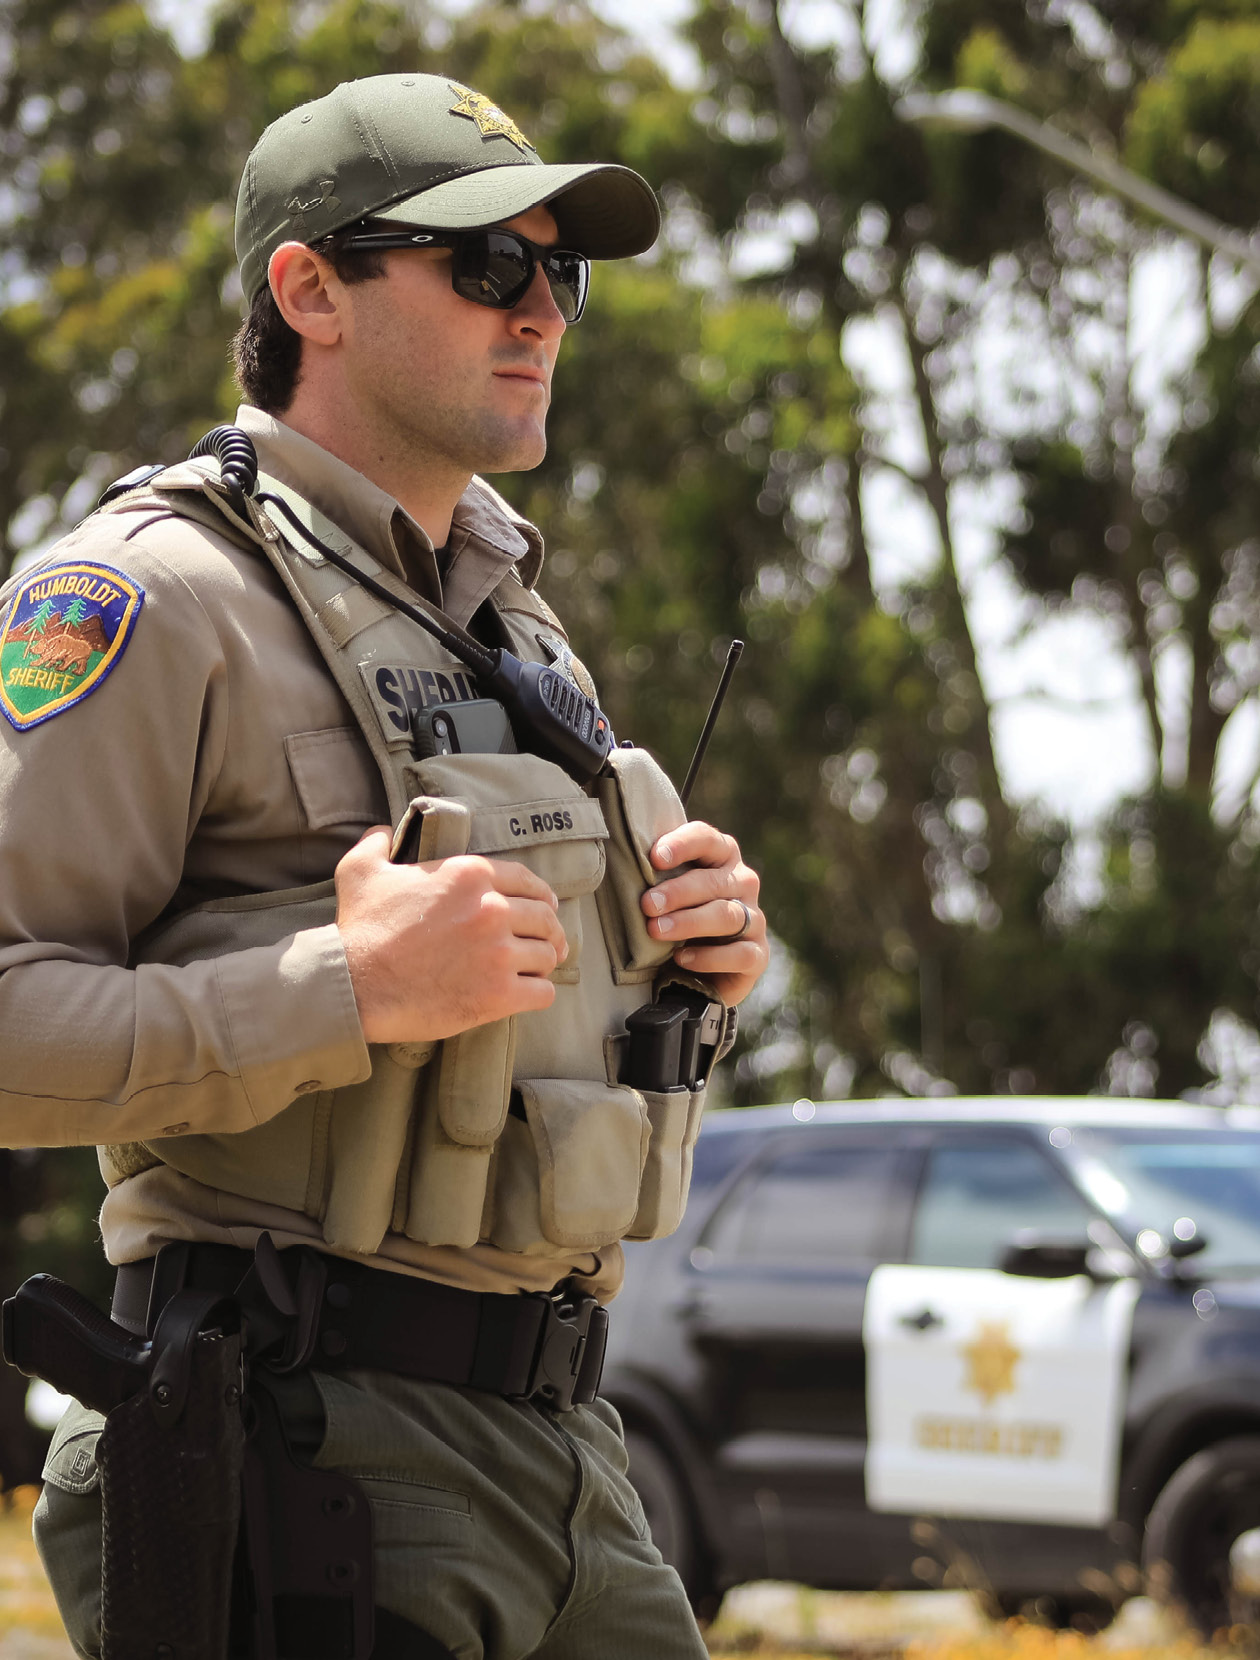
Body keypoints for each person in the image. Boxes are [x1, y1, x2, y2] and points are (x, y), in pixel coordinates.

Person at [0, 72, 767, 1660]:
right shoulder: (145, 599)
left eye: (564, 273)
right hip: (291, 1448)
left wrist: (691, 967)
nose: (543, 309)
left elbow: (519, 1032)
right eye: (488, 262)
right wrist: (346, 988)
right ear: (310, 289)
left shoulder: (511, 622)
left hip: (564, 1448)